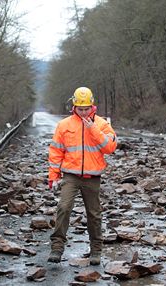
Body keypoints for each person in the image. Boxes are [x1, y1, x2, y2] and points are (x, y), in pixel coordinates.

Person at [47, 87, 117, 265]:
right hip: (70, 175)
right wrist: (53, 176)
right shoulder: (64, 125)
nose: (84, 112)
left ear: (92, 106)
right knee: (63, 207)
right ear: (74, 106)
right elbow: (56, 151)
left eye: (86, 108)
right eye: (80, 109)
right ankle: (57, 248)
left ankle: (96, 250)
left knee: (94, 214)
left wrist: (92, 128)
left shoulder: (101, 124)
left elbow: (110, 148)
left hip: (93, 177)